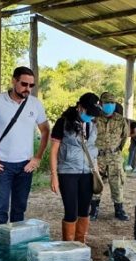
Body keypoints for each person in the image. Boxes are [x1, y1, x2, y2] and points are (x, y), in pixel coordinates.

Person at [0, 66, 50, 247]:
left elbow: (45, 130)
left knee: (19, 210)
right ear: (14, 81)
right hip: (1, 165)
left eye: (31, 85)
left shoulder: (35, 104)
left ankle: (16, 250)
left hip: (25, 166)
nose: (28, 88)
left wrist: (38, 158)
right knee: (1, 211)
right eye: (24, 84)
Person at [50, 93, 102, 243]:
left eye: (94, 114)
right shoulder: (63, 122)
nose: (91, 116)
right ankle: (69, 248)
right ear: (80, 107)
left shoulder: (92, 124)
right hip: (68, 172)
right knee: (71, 211)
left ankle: (80, 245)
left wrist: (96, 171)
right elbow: (54, 151)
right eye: (89, 112)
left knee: (84, 210)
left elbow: (92, 150)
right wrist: (54, 175)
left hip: (87, 172)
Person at [89, 91, 130, 221]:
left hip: (114, 156)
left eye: (112, 103)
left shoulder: (121, 120)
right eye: (107, 103)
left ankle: (119, 210)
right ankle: (94, 210)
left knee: (117, 183)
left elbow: (124, 138)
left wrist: (116, 150)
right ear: (100, 104)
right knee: (95, 183)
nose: (110, 105)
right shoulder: (94, 118)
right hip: (98, 157)